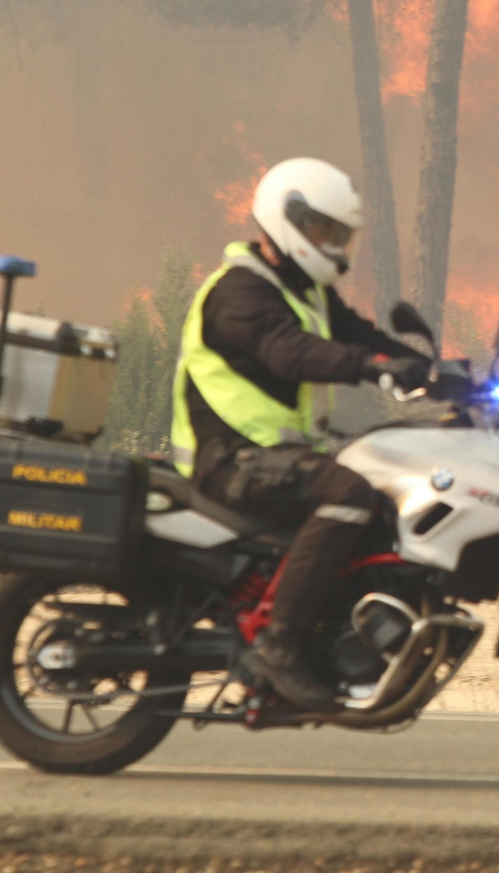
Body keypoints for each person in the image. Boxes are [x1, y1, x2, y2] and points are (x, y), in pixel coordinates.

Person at [169, 157, 431, 709]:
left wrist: (436, 369)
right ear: (287, 222)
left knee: (383, 492)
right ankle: (280, 644)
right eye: (323, 231)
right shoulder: (239, 292)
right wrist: (373, 368)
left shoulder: (303, 289)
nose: (333, 245)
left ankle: (343, 632)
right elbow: (290, 353)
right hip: (231, 462)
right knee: (348, 492)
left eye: (340, 235)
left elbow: (358, 333)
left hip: (274, 457)